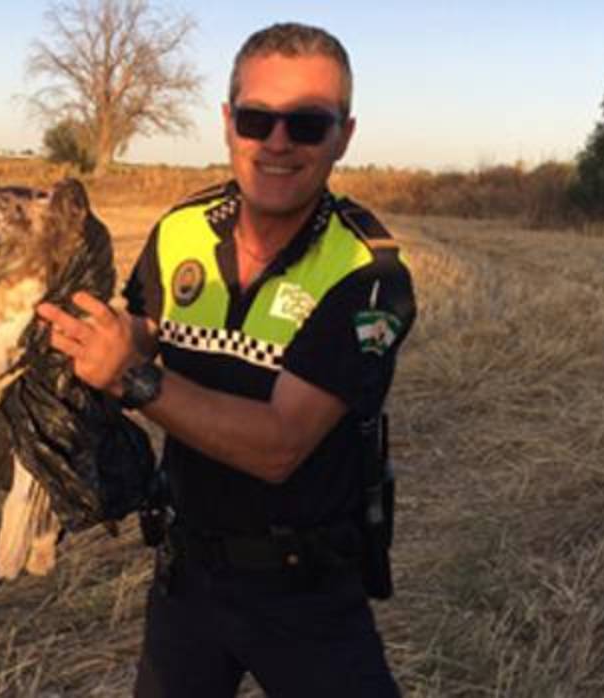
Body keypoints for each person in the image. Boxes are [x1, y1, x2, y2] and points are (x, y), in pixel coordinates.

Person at [37, 22, 416, 698]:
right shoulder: (181, 227)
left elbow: (280, 445)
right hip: (186, 579)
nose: (276, 142)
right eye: (255, 118)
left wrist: (131, 377)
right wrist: (52, 321)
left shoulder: (369, 276)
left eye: (307, 124)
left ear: (344, 136)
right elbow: (146, 328)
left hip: (307, 593)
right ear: (226, 122)